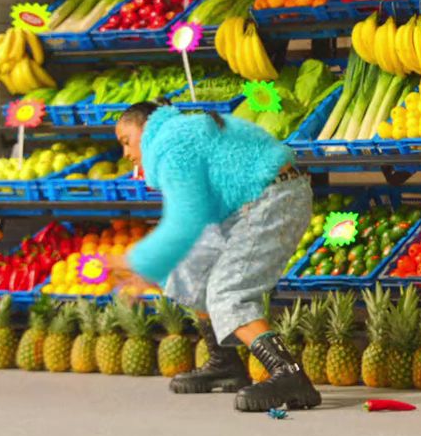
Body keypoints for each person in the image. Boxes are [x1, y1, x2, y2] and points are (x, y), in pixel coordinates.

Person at [108, 101, 319, 413]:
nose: (126, 154)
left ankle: (291, 376)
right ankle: (225, 362)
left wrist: (138, 261)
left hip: (273, 198)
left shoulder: (170, 143)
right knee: (188, 268)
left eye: (126, 142)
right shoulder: (177, 135)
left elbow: (185, 220)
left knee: (227, 289)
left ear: (144, 127)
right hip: (241, 204)